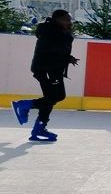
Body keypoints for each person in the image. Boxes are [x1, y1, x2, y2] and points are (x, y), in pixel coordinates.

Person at [10, 9, 79, 142]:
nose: (70, 22)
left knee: (52, 98)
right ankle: (24, 105)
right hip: (46, 69)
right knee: (55, 96)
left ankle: (38, 128)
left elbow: (56, 51)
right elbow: (51, 51)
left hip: (51, 68)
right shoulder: (51, 31)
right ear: (58, 19)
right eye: (67, 19)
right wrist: (66, 57)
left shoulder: (59, 32)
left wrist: (68, 58)